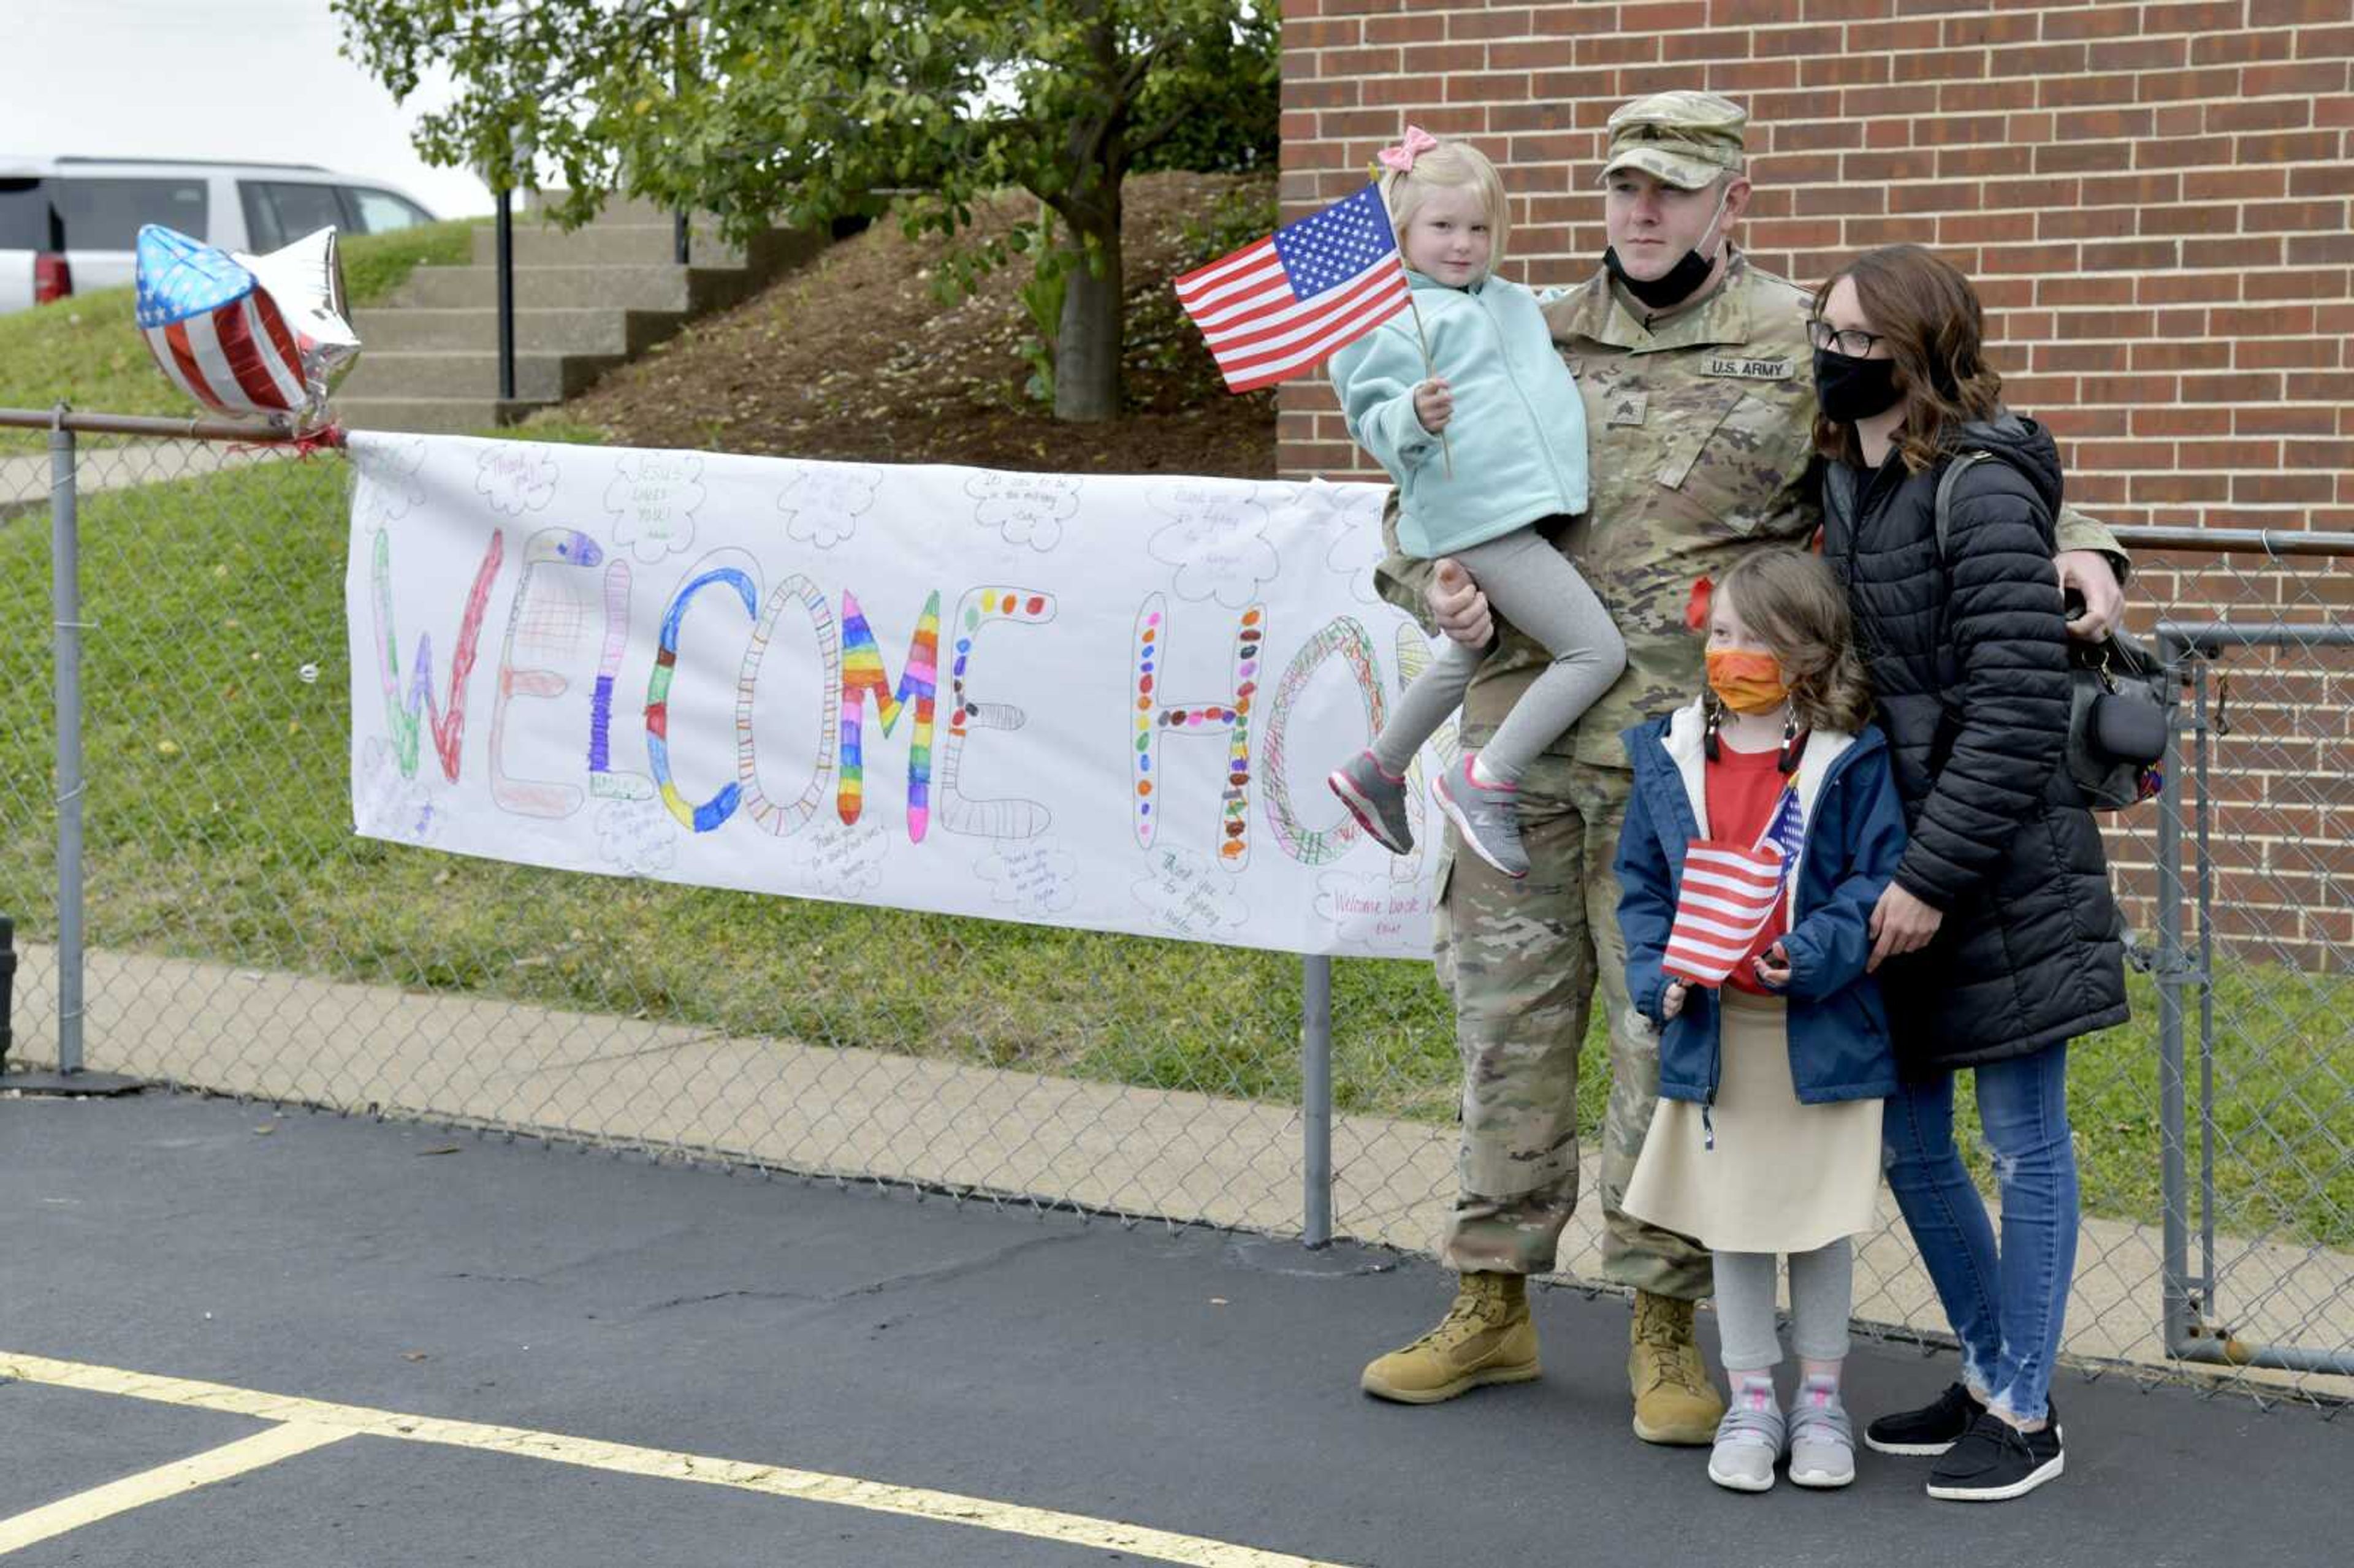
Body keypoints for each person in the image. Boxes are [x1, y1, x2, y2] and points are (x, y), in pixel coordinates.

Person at [1361, 89, 2128, 1445]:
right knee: (1505, 1036)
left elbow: (1950, 438)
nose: (1641, 211)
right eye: (1621, 187)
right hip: (1521, 753)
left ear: (1732, 199)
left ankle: (1666, 1326)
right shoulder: (1513, 324)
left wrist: (2091, 547)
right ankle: (1490, 1301)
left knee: (1674, 1045)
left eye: (1671, 188)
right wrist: (1430, 587)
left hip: (1707, 778)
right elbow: (1416, 490)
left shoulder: (1802, 340)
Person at [1809, 243, 2127, 1503]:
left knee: (2023, 1137)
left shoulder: (1978, 486)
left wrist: (1929, 878)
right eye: (1822, 334)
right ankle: (1998, 1359)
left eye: (1853, 340)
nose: (1829, 358)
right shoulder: (1847, 477)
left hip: (1999, 865)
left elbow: (2011, 705)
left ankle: (2027, 1409)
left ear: (1917, 351)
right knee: (1908, 1136)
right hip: (1907, 855)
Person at [1613, 548, 1906, 1494]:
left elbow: (1873, 878)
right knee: (1735, 1222)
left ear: (1811, 653)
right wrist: (1655, 974)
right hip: (1717, 1033)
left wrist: (1814, 950)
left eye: (1756, 638)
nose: (1729, 651)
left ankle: (1821, 1401)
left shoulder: (1849, 756)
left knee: (1817, 1222)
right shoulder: (1667, 750)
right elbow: (1644, 884)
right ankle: (1751, 1398)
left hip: (1815, 1031)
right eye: (1722, 632)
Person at [1325, 131, 1625, 879]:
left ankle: (1378, 769)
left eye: (1479, 228)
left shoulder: (1505, 300)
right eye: (1442, 227)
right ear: (1402, 233)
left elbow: (1559, 313)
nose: (1463, 245)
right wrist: (1411, 417)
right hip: (1480, 519)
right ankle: (1485, 777)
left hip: (1512, 511)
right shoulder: (1391, 319)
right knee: (1595, 651)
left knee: (1468, 651)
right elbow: (1369, 419)